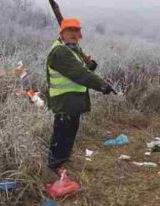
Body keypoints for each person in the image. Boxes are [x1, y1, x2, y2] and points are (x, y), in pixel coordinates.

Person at [46, 18, 115, 175]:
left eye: (76, 31)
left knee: (69, 132)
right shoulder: (60, 52)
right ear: (62, 33)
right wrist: (101, 85)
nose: (74, 34)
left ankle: (61, 161)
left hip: (72, 101)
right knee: (62, 134)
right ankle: (53, 168)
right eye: (70, 31)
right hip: (64, 101)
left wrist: (90, 65)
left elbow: (81, 69)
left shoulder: (71, 49)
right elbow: (79, 73)